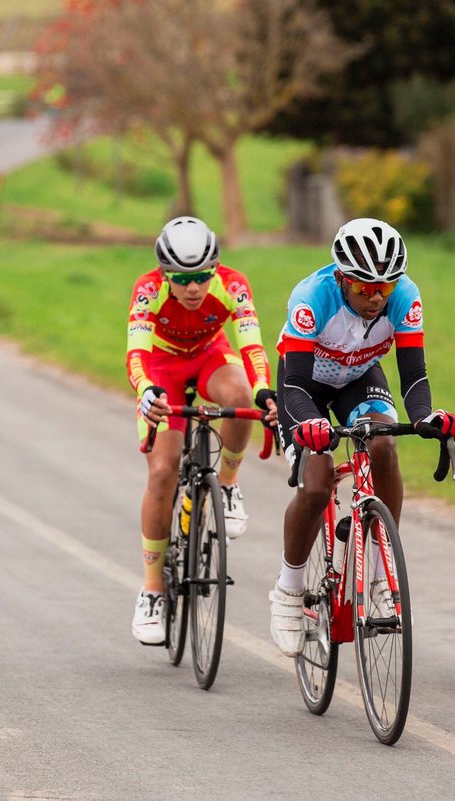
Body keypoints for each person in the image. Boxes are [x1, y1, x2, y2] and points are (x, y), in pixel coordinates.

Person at [268, 218, 455, 657]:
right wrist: (309, 426)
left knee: (384, 445)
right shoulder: (311, 297)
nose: (376, 297)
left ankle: (379, 569)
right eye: (364, 288)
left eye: (385, 288)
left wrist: (425, 417)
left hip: (358, 377)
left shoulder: (405, 296)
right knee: (316, 483)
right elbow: (296, 383)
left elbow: (414, 375)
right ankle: (290, 589)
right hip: (305, 386)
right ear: (342, 278)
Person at [128, 216, 278, 645]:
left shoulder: (233, 285)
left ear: (215, 268)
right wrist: (146, 390)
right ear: (164, 274)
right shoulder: (147, 290)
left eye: (201, 276)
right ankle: (153, 589)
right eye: (182, 278)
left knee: (241, 398)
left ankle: (227, 484)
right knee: (162, 472)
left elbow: (250, 343)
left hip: (211, 354)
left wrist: (265, 388)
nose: (193, 288)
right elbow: (136, 353)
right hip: (162, 367)